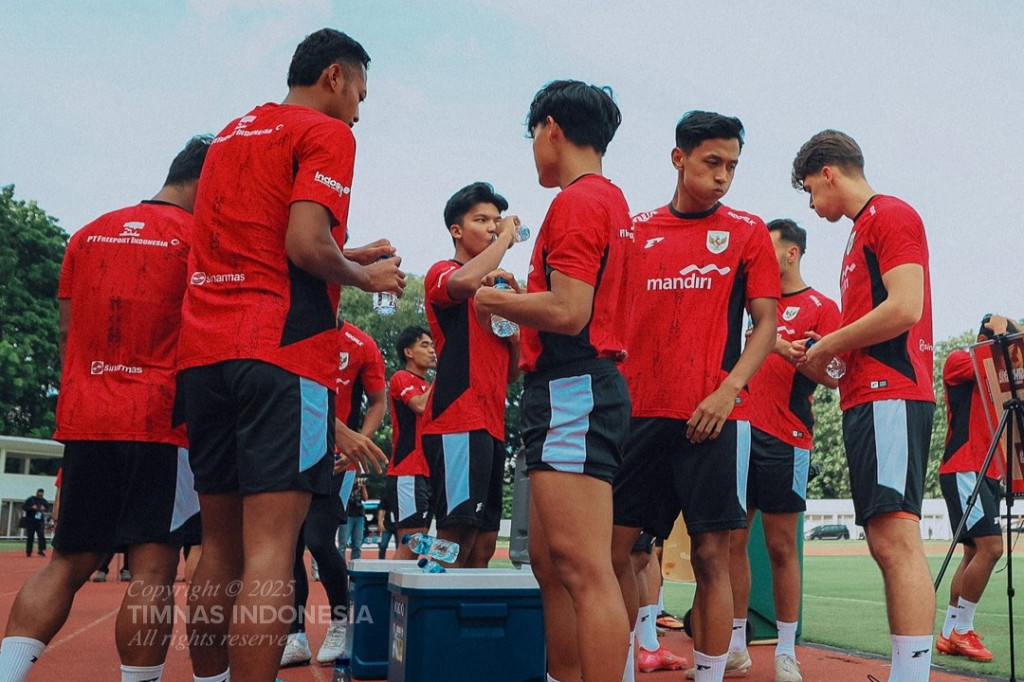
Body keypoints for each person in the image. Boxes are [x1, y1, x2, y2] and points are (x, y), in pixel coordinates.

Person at [175, 29, 400, 682]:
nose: (360, 108)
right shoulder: (329, 133)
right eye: (360, 91)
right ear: (334, 76)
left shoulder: (232, 132)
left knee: (218, 546)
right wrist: (365, 278)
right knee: (274, 548)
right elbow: (305, 245)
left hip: (206, 352)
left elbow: (264, 240)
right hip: (283, 355)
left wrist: (344, 257)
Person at [0, 135, 210, 682]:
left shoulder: (87, 234)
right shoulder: (198, 241)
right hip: (161, 421)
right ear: (206, 184)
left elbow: (69, 332)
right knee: (153, 568)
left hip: (88, 416)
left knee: (66, 561)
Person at [608, 110, 779, 682]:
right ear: (678, 158)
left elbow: (765, 325)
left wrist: (728, 392)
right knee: (619, 554)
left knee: (711, 555)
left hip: (712, 418)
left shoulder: (748, 231)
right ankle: (624, 668)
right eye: (712, 162)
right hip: (636, 417)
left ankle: (709, 674)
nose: (724, 175)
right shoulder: (634, 230)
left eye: (732, 165)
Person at [475, 79, 634, 682]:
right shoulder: (606, 199)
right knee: (548, 559)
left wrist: (492, 297)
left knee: (583, 566)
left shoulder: (578, 201)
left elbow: (570, 311)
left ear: (551, 129)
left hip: (573, 386)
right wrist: (523, 301)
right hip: (569, 386)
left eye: (533, 137)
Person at [790, 129, 935, 682]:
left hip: (892, 396)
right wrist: (821, 361)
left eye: (809, 190)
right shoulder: (858, 235)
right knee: (883, 538)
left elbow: (905, 307)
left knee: (896, 537)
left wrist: (828, 343)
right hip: (867, 399)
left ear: (829, 173)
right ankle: (906, 671)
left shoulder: (891, 215)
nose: (811, 204)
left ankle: (912, 675)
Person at [727, 218, 841, 682]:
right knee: (731, 541)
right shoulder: (750, 304)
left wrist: (809, 357)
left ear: (791, 253)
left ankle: (787, 653)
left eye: (768, 246)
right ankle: (735, 648)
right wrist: (771, 344)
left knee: (779, 548)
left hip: (788, 438)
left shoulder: (822, 307)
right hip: (736, 432)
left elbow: (836, 375)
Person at [421, 181, 521, 568]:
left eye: (497, 221)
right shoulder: (444, 272)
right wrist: (507, 238)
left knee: (482, 543)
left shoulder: (498, 289)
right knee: (452, 536)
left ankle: (462, 625)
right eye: (482, 220)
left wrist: (514, 337)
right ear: (456, 230)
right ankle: (423, 616)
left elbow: (512, 373)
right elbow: (461, 284)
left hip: (492, 425)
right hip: (457, 421)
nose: (494, 227)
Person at [281, 318, 388, 669]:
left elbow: (377, 402)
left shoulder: (362, 343)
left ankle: (340, 622)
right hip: (288, 452)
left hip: (337, 461)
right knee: (289, 545)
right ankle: (295, 636)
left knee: (318, 538)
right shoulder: (293, 327)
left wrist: (359, 443)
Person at [936, 313, 1018, 662]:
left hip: (984, 471)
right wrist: (1003, 342)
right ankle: (962, 630)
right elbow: (985, 366)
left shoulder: (1001, 377)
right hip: (966, 466)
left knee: (972, 552)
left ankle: (949, 632)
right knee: (991, 548)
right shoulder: (962, 360)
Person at [386, 326, 436, 560]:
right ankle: (393, 597)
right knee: (411, 542)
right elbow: (419, 406)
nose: (432, 351)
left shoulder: (428, 385)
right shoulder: (400, 378)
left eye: (433, 345)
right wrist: (443, 374)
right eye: (424, 345)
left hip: (427, 472)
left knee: (421, 542)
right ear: (408, 352)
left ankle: (407, 595)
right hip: (408, 470)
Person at [21, 490, 50, 558]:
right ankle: (29, 552)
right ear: (37, 493)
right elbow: (24, 507)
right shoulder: (31, 499)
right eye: (39, 494)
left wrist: (44, 509)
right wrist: (31, 508)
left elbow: (48, 508)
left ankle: (41, 550)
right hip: (31, 521)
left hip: (40, 521)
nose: (40, 496)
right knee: (30, 536)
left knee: (41, 535)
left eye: (41, 495)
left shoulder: (44, 501)